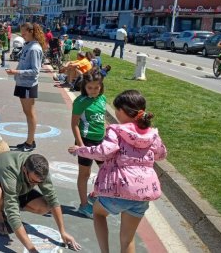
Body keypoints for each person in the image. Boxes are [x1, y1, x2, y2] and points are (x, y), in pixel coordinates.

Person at [68, 90, 167, 253]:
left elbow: (104, 151)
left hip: (118, 190)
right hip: (142, 195)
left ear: (122, 111)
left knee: (98, 213)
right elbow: (161, 154)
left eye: (116, 109)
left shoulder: (116, 130)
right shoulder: (152, 134)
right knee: (127, 239)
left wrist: (81, 150)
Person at [0, 152, 82, 251]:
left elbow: (52, 199)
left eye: (38, 182)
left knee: (45, 207)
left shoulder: (41, 170)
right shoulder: (10, 169)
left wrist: (62, 231)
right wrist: (32, 249)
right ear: (25, 170)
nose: (35, 184)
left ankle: (1, 203)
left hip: (17, 187)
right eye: (33, 181)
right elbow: (13, 211)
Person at [70, 69, 106, 218]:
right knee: (84, 174)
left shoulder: (102, 99)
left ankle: (94, 194)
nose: (93, 91)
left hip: (101, 141)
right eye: (90, 88)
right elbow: (74, 124)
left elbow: (102, 120)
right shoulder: (80, 102)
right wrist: (81, 145)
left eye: (96, 87)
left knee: (107, 171)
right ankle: (84, 205)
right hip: (86, 141)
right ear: (84, 86)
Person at [5, 23, 45, 152]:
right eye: (21, 33)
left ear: (31, 32)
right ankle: (29, 140)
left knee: (30, 113)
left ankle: (30, 142)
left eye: (24, 33)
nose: (22, 36)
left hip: (28, 84)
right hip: (22, 83)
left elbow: (35, 70)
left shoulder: (34, 48)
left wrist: (16, 72)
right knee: (27, 113)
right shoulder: (28, 45)